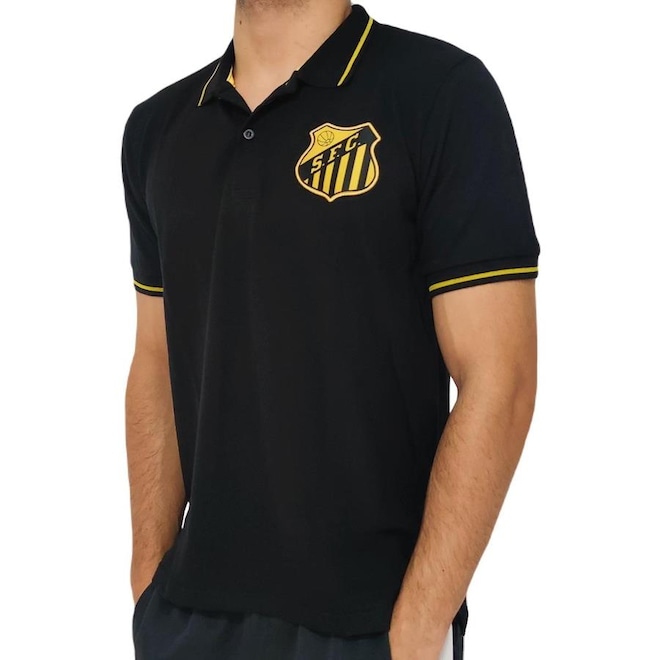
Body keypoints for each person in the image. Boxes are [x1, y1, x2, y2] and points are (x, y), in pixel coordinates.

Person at [121, 1, 540, 658]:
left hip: (368, 626)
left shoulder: (440, 94)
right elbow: (155, 360)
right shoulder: (158, 128)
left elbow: (500, 378)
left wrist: (419, 626)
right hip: (190, 620)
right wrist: (149, 581)